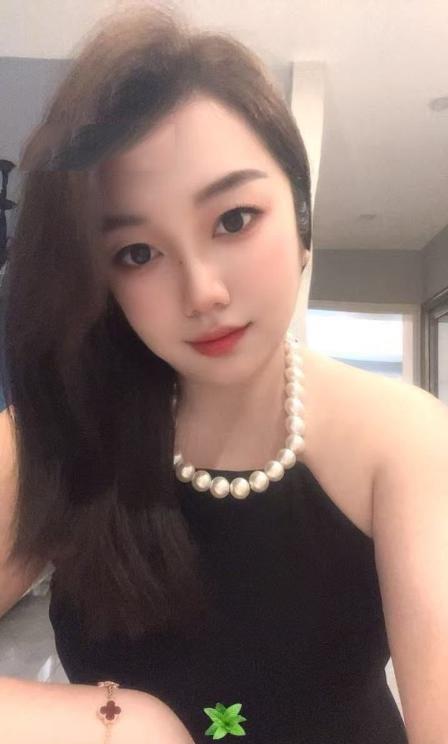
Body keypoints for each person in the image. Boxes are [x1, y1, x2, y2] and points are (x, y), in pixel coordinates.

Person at [1, 5, 447, 744]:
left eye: (234, 219)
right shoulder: (57, 433)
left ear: (300, 216)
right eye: (138, 253)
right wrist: (125, 725)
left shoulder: (401, 441)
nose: (202, 291)